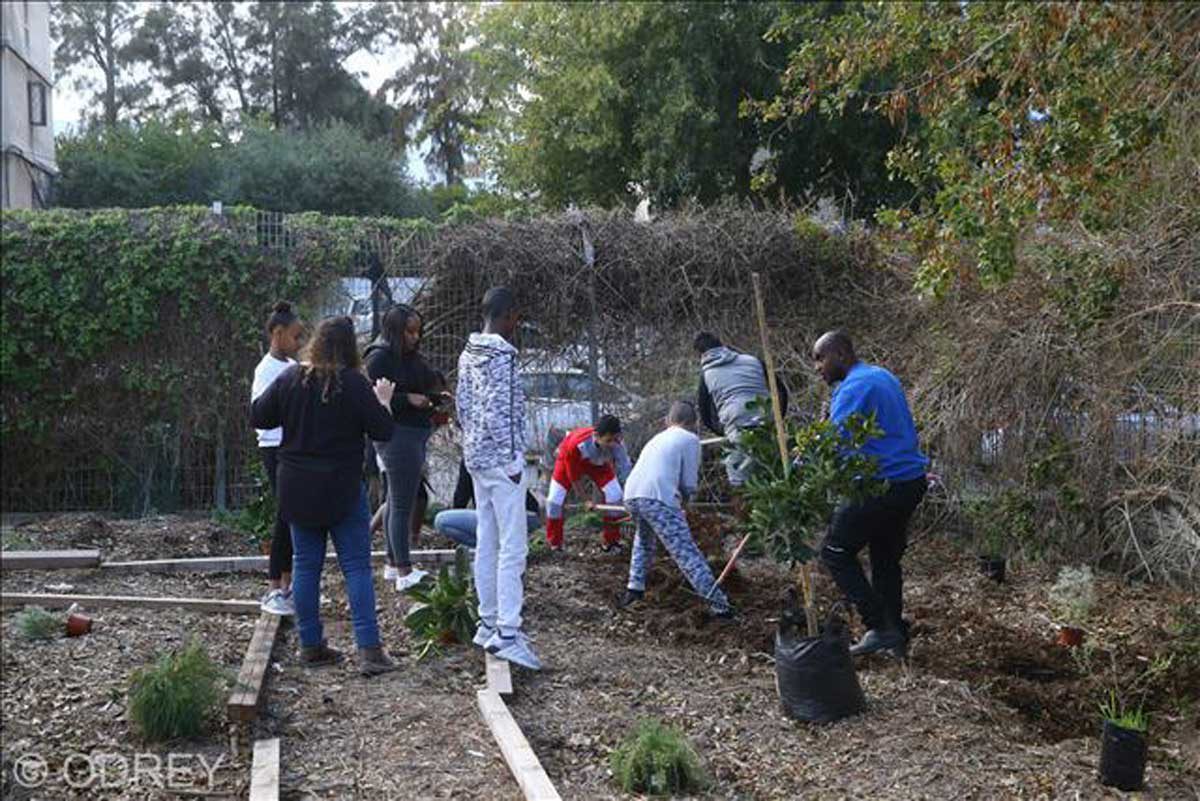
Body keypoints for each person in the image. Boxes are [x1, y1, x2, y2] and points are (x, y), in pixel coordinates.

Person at [250, 316, 399, 676]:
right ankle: (369, 651)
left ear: (316, 342)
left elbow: (259, 416)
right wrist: (383, 401)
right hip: (342, 490)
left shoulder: (292, 378)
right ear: (350, 347)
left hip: (297, 489)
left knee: (305, 565)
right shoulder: (355, 384)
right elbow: (384, 430)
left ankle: (311, 645)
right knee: (356, 568)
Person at [812, 330, 928, 658]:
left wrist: (801, 466)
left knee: (835, 551)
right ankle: (895, 636)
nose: (817, 367)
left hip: (881, 485)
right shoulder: (880, 375)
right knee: (885, 558)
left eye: (821, 358)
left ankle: (878, 626)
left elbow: (835, 446)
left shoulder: (855, 386)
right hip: (909, 482)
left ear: (841, 355)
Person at [456, 287, 541, 670]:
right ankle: (508, 632)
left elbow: (462, 405)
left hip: (475, 458)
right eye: (515, 319)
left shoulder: (468, 352)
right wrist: (510, 459)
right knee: (513, 547)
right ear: (509, 317)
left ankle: (487, 622)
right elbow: (500, 411)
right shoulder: (503, 356)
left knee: (487, 541)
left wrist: (474, 446)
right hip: (500, 461)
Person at [619, 401, 733, 618]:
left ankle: (634, 589)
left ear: (667, 420)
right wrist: (685, 503)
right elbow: (689, 483)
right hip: (657, 497)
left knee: (643, 540)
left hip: (632, 495)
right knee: (685, 552)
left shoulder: (657, 438)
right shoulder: (690, 439)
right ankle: (719, 605)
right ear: (694, 423)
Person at [364, 304, 446, 592]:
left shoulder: (407, 356)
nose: (415, 337)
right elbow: (374, 399)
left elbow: (423, 378)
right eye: (409, 331)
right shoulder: (379, 358)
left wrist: (435, 394)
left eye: (417, 331)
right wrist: (406, 399)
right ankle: (404, 570)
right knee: (401, 503)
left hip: (412, 433)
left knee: (395, 500)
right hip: (397, 435)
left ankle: (391, 563)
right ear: (395, 330)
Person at [251, 302, 304, 616]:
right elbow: (261, 413)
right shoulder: (266, 370)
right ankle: (274, 587)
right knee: (285, 515)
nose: (298, 343)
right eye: (295, 337)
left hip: (290, 448)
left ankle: (288, 584)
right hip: (275, 448)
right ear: (277, 333)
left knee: (292, 514)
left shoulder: (289, 366)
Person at [694, 332, 788, 489]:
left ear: (700, 354)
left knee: (741, 487)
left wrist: (725, 432)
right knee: (775, 480)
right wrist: (778, 420)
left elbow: (705, 416)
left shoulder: (706, 375)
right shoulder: (753, 361)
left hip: (737, 430)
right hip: (767, 426)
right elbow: (781, 391)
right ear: (722, 344)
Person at [544, 416, 632, 552]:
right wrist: (586, 500)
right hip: (569, 460)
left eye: (615, 440)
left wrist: (630, 496)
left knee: (615, 495)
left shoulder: (617, 443)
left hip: (598, 463)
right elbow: (574, 478)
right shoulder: (576, 444)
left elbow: (625, 469)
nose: (612, 444)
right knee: (554, 501)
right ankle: (554, 543)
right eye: (608, 440)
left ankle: (611, 541)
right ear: (596, 436)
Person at [435, 460, 542, 548]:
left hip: (507, 518)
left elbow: (460, 498)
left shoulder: (474, 460)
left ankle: (490, 547)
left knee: (442, 520)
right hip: (529, 517)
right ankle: (501, 546)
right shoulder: (507, 455)